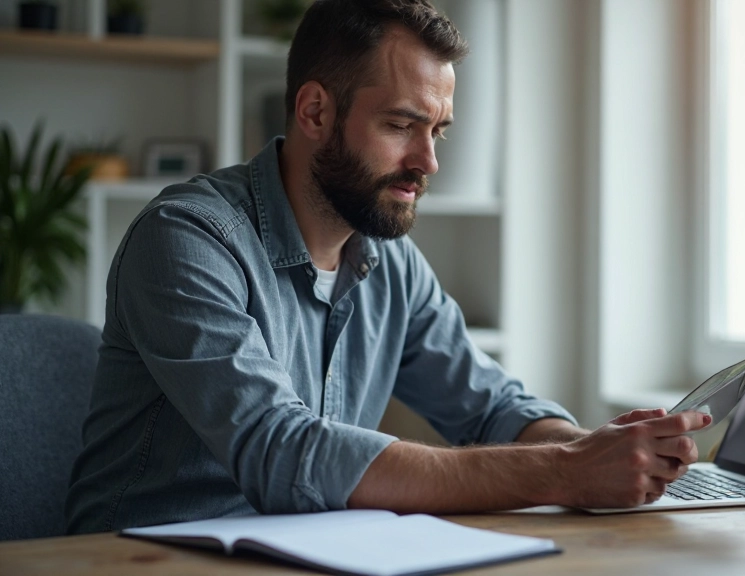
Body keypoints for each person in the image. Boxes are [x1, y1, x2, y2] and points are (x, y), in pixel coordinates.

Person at [65, 0, 708, 534]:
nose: (428, 162)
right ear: (315, 111)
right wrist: (565, 471)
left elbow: (490, 407)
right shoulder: (188, 239)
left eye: (439, 131)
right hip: (140, 562)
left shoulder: (389, 261)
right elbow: (281, 452)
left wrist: (586, 448)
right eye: (402, 124)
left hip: (309, 555)